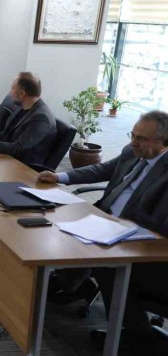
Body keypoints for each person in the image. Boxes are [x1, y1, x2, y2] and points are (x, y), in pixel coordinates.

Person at [38, 111, 168, 348]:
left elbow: (160, 222)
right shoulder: (132, 152)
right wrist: (61, 177)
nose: (133, 143)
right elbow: (103, 170)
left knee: (107, 265)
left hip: (138, 238)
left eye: (141, 139)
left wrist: (122, 226)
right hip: (103, 216)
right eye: (132, 135)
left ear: (164, 143)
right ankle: (72, 283)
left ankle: (137, 332)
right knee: (55, 222)